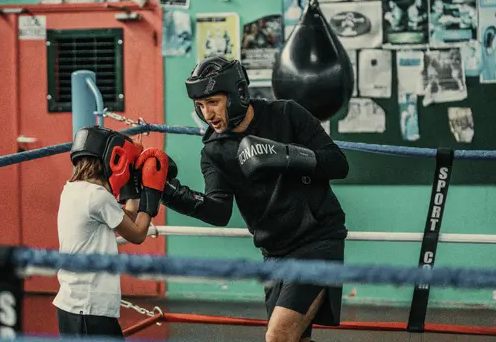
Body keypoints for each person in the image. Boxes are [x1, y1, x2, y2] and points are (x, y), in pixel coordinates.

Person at [161, 56, 349, 342]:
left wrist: (287, 155)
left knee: (278, 336)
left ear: (238, 94)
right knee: (297, 339)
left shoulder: (286, 114)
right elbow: (218, 211)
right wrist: (168, 192)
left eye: (213, 102)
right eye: (200, 106)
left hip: (317, 239)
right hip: (274, 251)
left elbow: (338, 163)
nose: (207, 114)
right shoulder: (214, 151)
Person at [53, 126, 170, 340]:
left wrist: (130, 188)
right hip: (88, 308)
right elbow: (137, 234)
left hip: (76, 304)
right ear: (110, 159)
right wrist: (151, 194)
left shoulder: (72, 189)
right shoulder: (98, 196)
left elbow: (127, 219)